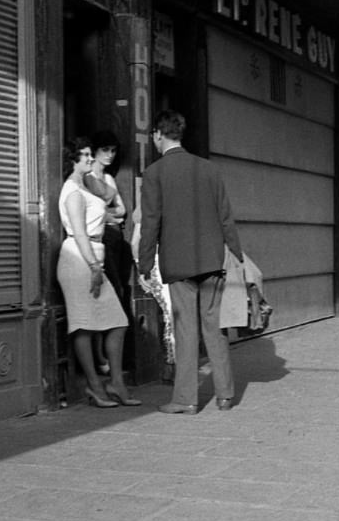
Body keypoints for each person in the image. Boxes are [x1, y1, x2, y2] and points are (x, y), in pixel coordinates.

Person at [138, 110, 243, 414]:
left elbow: (150, 224)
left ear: (158, 134)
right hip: (213, 259)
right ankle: (225, 395)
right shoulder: (210, 169)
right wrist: (236, 255)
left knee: (187, 329)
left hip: (179, 264)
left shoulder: (155, 174)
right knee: (214, 326)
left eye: (154, 136)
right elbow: (226, 218)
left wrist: (145, 266)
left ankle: (186, 399)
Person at [57, 137, 140, 407]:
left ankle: (116, 383)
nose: (90, 159)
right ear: (72, 160)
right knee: (83, 325)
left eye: (90, 154)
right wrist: (94, 266)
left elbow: (113, 206)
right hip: (80, 259)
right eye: (84, 156)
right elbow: (79, 232)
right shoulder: (71, 190)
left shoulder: (85, 185)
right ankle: (95, 385)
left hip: (94, 255)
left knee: (117, 321)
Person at [84, 131, 134, 376]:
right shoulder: (86, 179)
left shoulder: (109, 179)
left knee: (118, 290)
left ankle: (110, 357)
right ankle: (102, 357)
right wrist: (110, 214)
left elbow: (122, 211)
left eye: (113, 151)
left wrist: (110, 214)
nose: (110, 155)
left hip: (113, 238)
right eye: (106, 150)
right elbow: (98, 213)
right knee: (106, 293)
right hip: (98, 238)